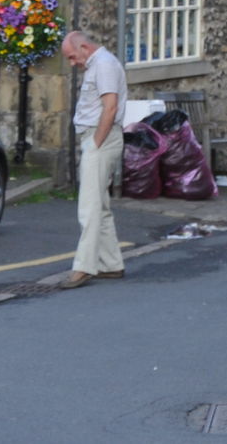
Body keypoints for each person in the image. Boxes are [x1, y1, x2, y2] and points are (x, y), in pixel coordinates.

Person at [60, 29, 127, 288]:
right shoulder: (100, 64)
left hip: (102, 138)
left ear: (85, 47)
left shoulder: (104, 64)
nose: (72, 63)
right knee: (99, 206)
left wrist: (96, 143)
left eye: (72, 56)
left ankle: (84, 267)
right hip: (99, 137)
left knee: (88, 207)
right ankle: (110, 264)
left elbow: (110, 107)